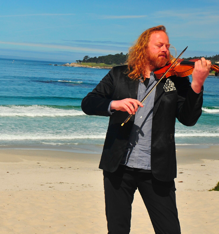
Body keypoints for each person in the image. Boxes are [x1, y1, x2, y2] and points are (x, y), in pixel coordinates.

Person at [81, 25, 211, 234]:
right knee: (117, 230)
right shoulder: (118, 75)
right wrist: (115, 104)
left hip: (157, 169)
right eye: (159, 45)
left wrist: (197, 84)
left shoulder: (175, 79)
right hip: (118, 168)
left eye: (167, 46)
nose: (165, 50)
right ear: (143, 47)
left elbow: (188, 119)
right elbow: (88, 103)